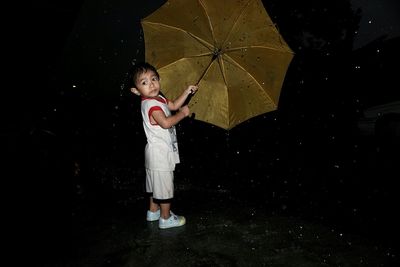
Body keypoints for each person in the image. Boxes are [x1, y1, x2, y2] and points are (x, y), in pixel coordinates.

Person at [129, 62, 198, 229]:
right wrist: (182, 114)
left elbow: (173, 105)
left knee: (155, 186)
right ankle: (166, 219)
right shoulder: (152, 105)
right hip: (160, 154)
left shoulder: (157, 98)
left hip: (153, 153)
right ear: (136, 90)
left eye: (153, 79)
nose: (151, 84)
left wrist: (187, 92)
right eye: (144, 82)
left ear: (159, 79)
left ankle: (153, 212)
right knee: (165, 189)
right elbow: (166, 123)